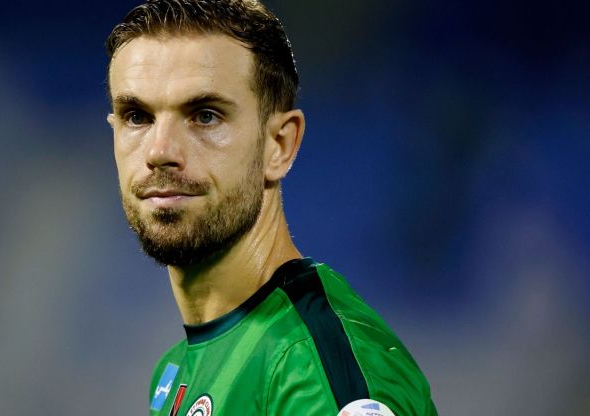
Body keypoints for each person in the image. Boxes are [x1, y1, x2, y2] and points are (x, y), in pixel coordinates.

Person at [105, 1, 437, 415]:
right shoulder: (176, 369)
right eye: (137, 116)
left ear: (279, 145)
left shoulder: (308, 367)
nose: (159, 151)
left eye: (205, 116)